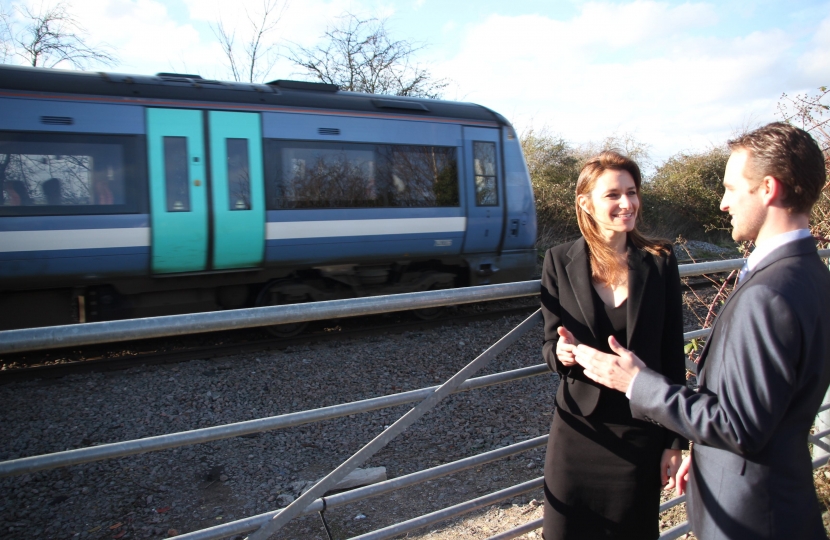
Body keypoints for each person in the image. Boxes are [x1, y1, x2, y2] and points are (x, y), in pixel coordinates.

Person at [573, 122, 830, 539]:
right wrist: (705, 452)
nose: (724, 203)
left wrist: (638, 383)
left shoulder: (770, 293)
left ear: (768, 189)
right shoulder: (811, 274)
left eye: (731, 188)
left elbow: (739, 427)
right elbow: (766, 408)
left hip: (751, 516)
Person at [540, 150, 688, 540]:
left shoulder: (660, 261)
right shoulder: (559, 260)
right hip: (578, 431)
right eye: (613, 195)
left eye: (632, 192)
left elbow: (673, 352)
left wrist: (676, 440)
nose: (627, 204)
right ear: (585, 203)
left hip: (640, 432)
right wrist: (560, 354)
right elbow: (549, 341)